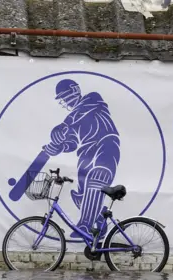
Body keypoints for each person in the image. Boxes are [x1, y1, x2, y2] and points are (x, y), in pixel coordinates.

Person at [43, 79, 121, 240]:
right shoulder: (73, 120)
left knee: (97, 178)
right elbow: (71, 143)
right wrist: (57, 146)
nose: (65, 102)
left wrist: (63, 126)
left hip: (105, 144)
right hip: (86, 153)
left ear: (75, 90)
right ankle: (100, 223)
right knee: (82, 194)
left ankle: (85, 224)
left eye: (65, 97)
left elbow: (80, 112)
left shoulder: (92, 99)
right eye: (62, 100)